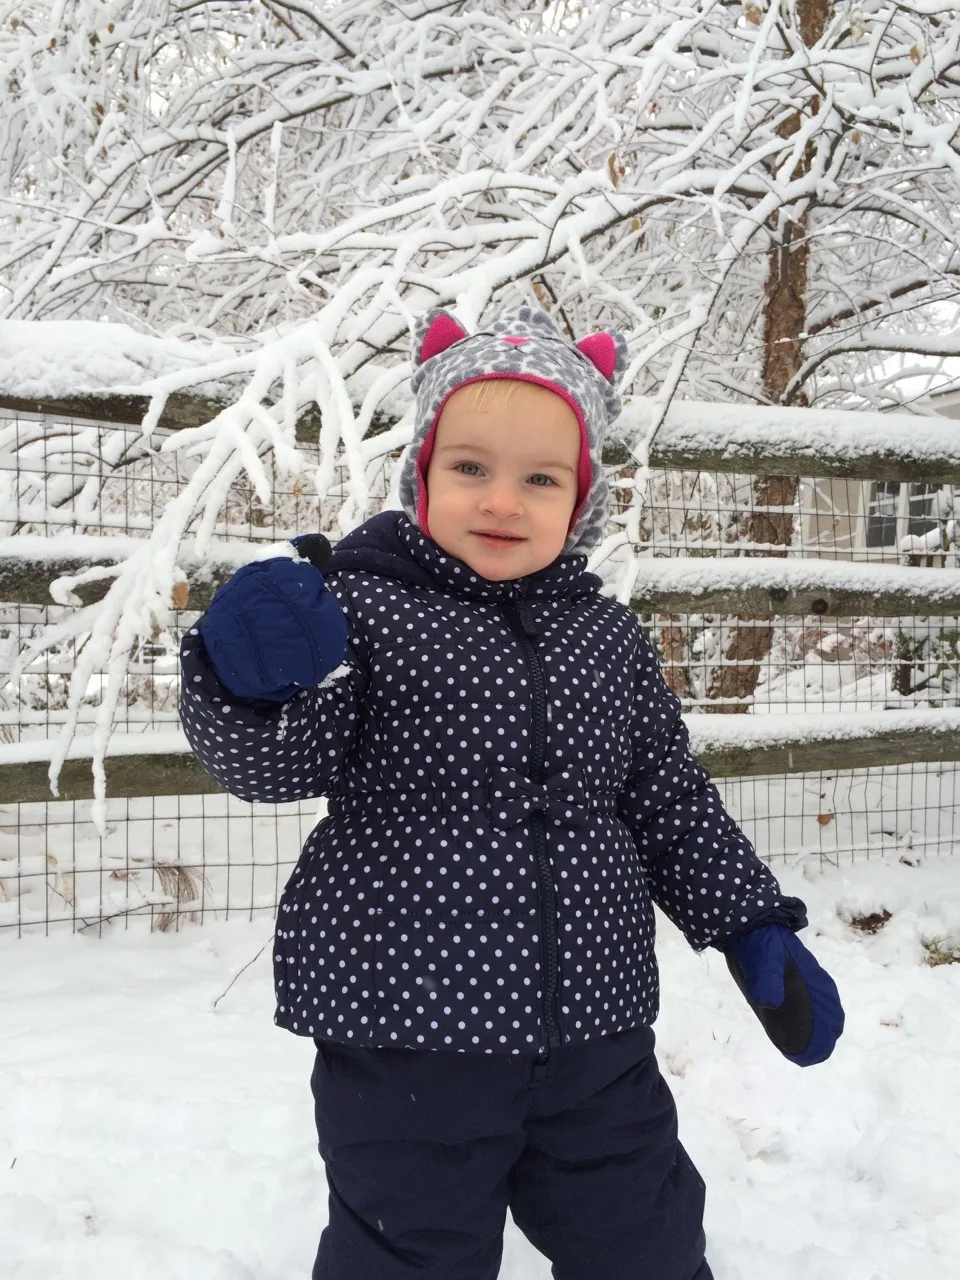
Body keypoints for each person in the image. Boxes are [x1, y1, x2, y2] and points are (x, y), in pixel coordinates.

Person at [180, 306, 844, 1280]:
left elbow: (668, 796)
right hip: (405, 1031)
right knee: (408, 1254)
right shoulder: (359, 613)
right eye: (471, 467)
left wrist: (752, 925)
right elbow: (275, 766)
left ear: (582, 500)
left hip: (596, 1035)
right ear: (423, 475)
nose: (503, 499)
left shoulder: (607, 638)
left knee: (645, 1242)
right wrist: (243, 684)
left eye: (541, 477)